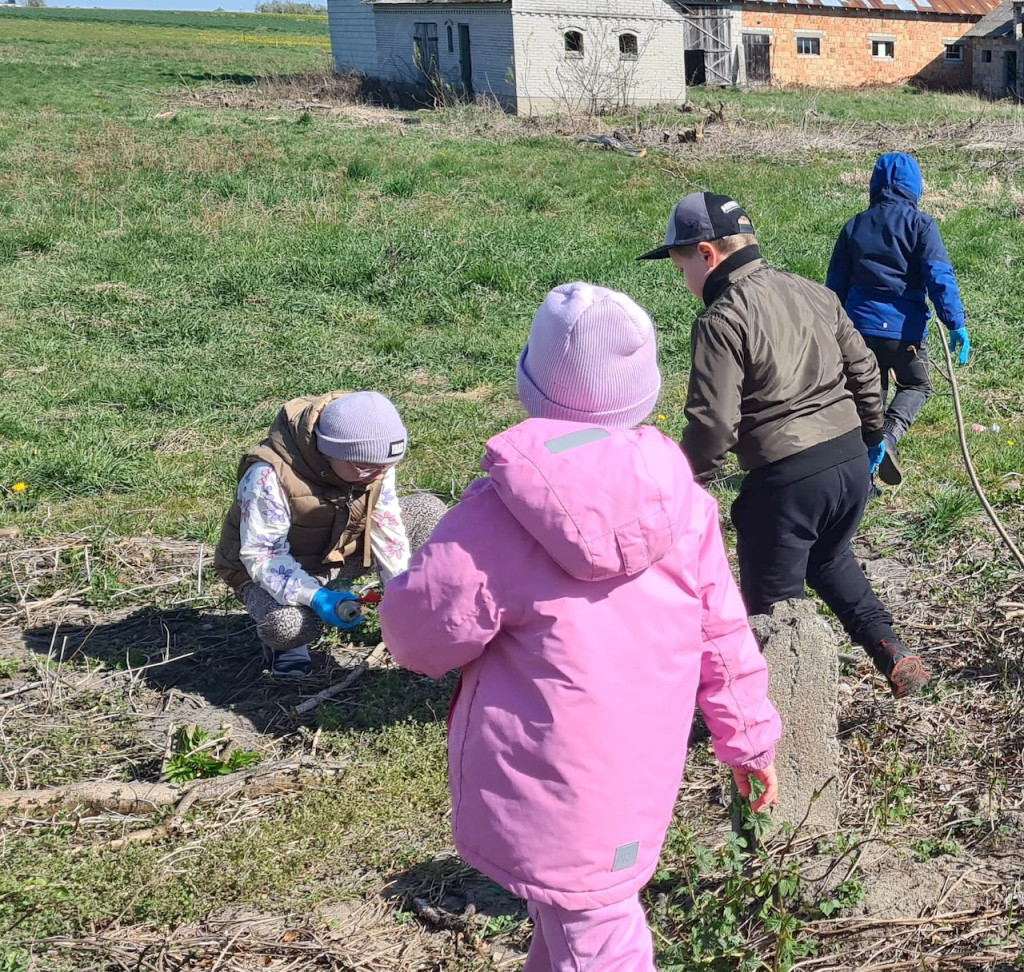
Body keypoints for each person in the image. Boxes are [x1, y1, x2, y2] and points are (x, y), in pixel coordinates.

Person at [379, 283, 782, 972]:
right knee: (574, 925)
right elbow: (724, 636)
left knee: (596, 941)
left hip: (544, 784)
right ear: (646, 390)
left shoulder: (496, 515)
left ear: (531, 385)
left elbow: (419, 636)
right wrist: (748, 742)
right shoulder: (685, 505)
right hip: (636, 781)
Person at [638, 192, 929, 699]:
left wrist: (686, 486)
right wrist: (868, 438)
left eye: (680, 263)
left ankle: (784, 722)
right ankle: (892, 651)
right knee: (830, 559)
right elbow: (864, 369)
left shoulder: (721, 320)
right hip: (848, 466)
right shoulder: (813, 291)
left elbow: (713, 425)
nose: (682, 279)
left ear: (707, 254)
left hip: (786, 481)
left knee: (774, 613)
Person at [214, 391, 446, 678]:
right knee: (289, 626)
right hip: (272, 570)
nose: (379, 476)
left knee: (428, 509)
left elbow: (385, 526)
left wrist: (400, 592)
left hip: (340, 553)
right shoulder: (268, 476)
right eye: (367, 468)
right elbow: (263, 557)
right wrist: (316, 597)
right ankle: (288, 647)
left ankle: (424, 608)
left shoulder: (373, 467)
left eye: (387, 467)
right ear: (329, 451)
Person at [826, 152, 970, 488]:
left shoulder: (855, 225)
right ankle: (889, 437)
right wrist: (955, 322)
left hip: (859, 331)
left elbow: (835, 283)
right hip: (905, 332)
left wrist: (830, 328)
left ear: (874, 185)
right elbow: (939, 275)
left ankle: (865, 474)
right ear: (915, 187)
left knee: (869, 394)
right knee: (918, 385)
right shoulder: (922, 225)